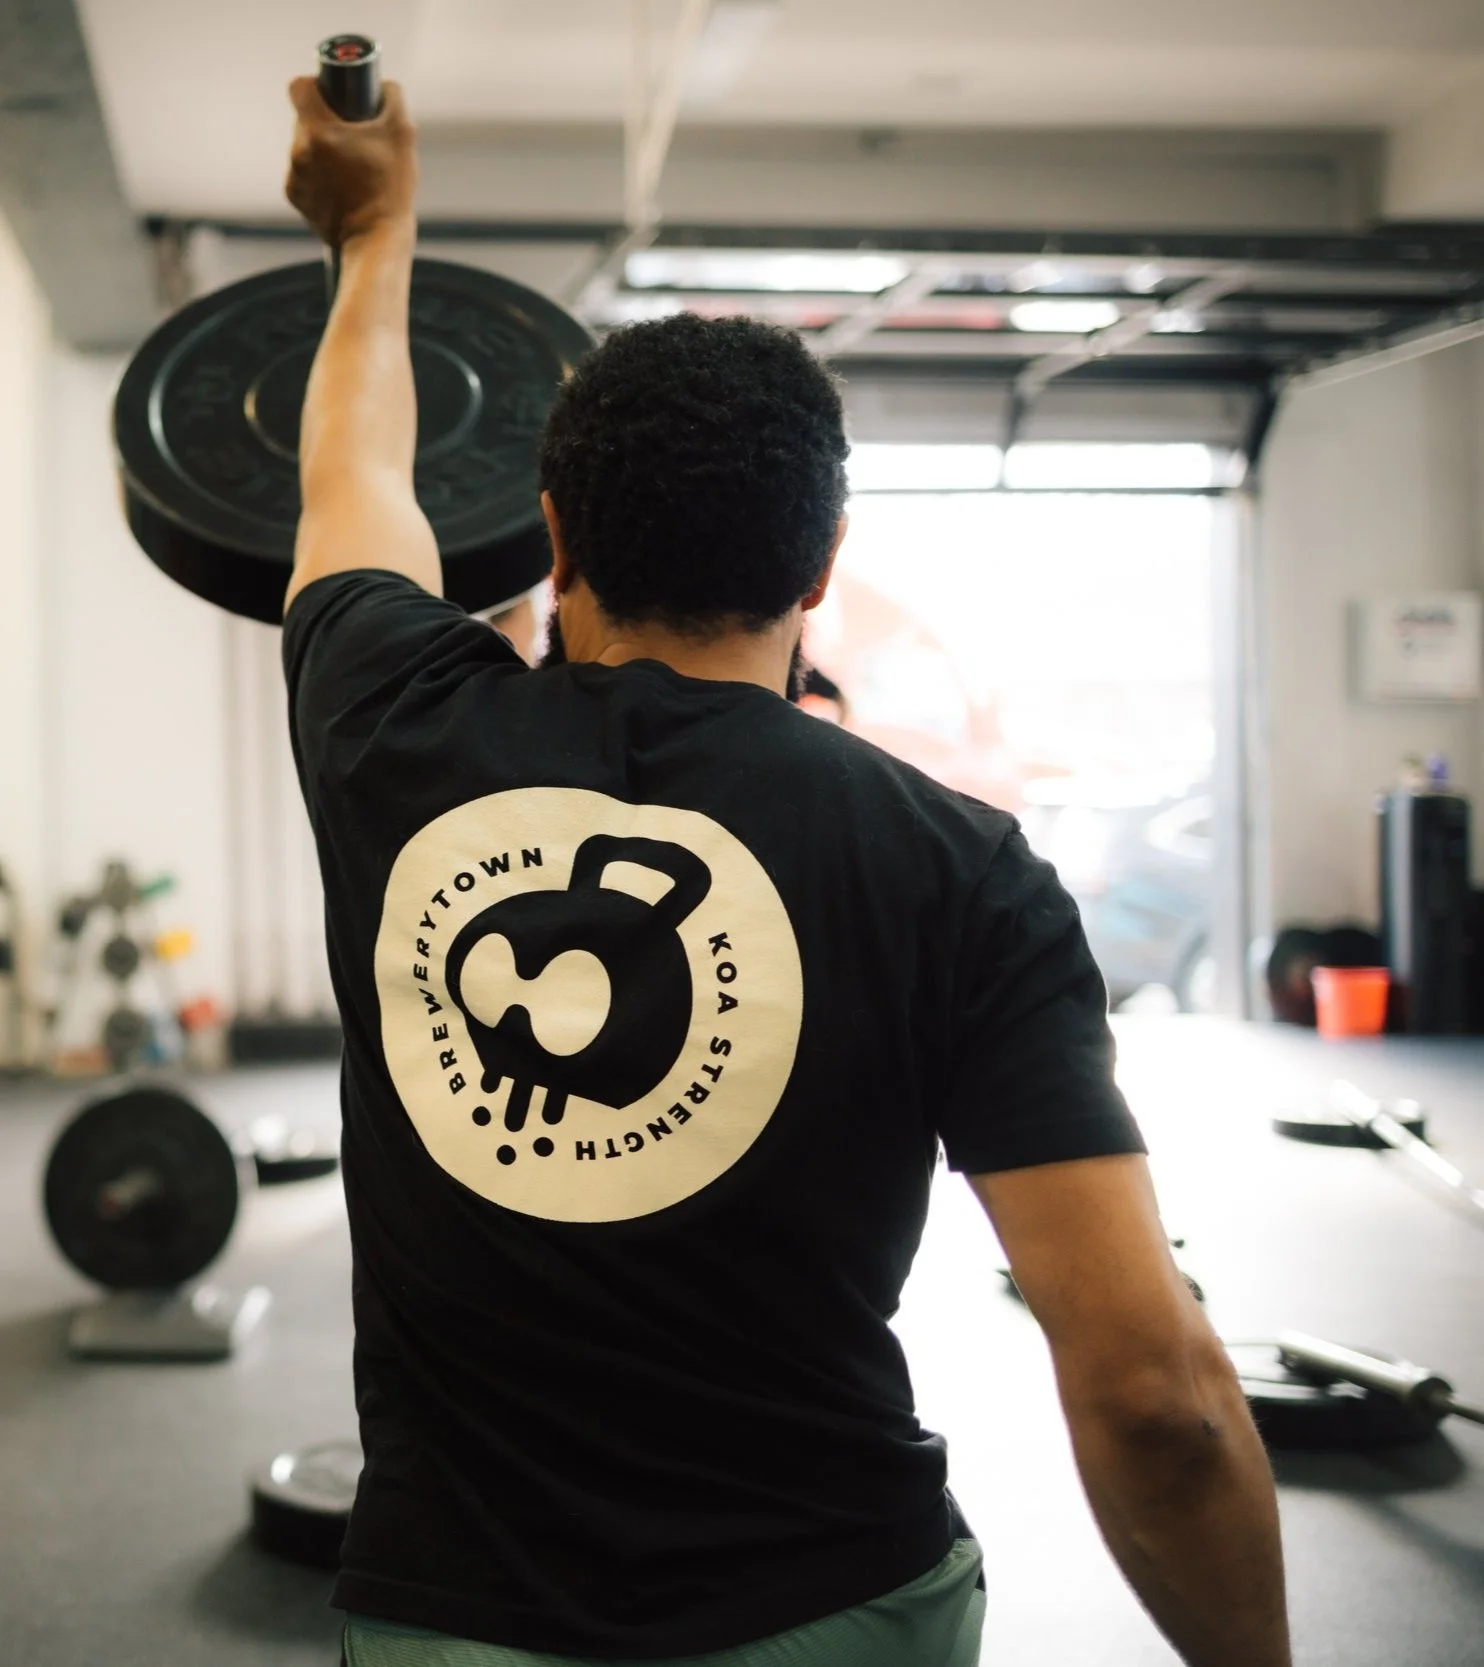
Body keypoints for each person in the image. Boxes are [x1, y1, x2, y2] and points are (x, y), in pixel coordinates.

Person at [280, 73, 1292, 1667]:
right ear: (822, 565)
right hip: (832, 1612)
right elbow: (1156, 1393)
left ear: (554, 539)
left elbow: (352, 475)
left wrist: (375, 229)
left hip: (454, 1623)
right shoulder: (963, 870)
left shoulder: (386, 724)